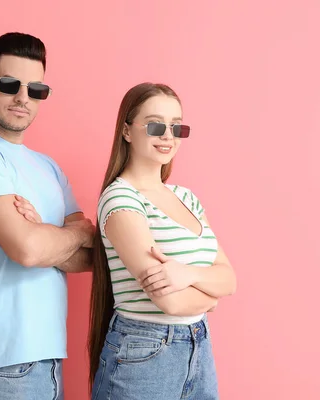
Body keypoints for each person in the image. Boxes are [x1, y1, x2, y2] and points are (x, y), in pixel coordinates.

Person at [0, 32, 94, 400]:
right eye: (10, 85)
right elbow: (27, 250)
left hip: (47, 362)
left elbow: (91, 259)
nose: (23, 98)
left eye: (36, 89)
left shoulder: (49, 168)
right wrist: (76, 231)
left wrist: (44, 234)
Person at [88, 82, 237, 400]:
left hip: (198, 345)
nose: (168, 136)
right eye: (155, 124)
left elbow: (230, 278)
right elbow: (170, 302)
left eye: (176, 127)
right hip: (144, 350)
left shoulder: (186, 198)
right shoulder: (120, 198)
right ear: (127, 131)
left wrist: (188, 275)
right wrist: (210, 299)